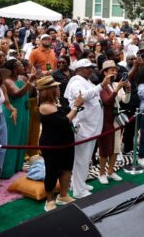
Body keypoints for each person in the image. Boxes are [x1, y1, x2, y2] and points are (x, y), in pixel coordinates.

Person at [64, 59, 112, 198]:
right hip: (83, 128)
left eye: (91, 67)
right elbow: (82, 96)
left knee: (85, 159)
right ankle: (79, 191)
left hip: (91, 127)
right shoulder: (76, 82)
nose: (90, 70)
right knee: (81, 160)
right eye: (87, 68)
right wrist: (101, 86)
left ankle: (79, 184)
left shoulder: (86, 81)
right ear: (79, 69)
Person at [37, 76, 84, 212]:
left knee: (67, 168)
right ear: (48, 90)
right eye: (55, 87)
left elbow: (68, 114)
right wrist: (76, 106)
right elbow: (64, 122)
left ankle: (63, 195)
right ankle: (50, 199)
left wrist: (75, 106)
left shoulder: (59, 101)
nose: (58, 88)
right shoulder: (45, 106)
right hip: (52, 143)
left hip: (66, 140)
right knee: (52, 171)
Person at [1, 59, 37, 178]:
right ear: (14, 69)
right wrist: (30, 82)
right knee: (12, 139)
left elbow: (29, 92)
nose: (23, 67)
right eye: (20, 65)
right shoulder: (7, 80)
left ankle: (17, 166)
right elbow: (17, 94)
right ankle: (7, 170)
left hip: (24, 111)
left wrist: (33, 81)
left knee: (22, 138)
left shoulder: (22, 79)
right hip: (12, 112)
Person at [97, 60, 130, 184]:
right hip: (105, 121)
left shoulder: (116, 84)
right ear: (105, 72)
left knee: (116, 147)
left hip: (116, 120)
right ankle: (101, 173)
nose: (115, 72)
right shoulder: (101, 86)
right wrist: (117, 89)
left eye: (115, 70)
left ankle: (110, 171)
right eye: (112, 70)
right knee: (105, 148)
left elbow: (125, 101)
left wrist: (128, 90)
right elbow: (107, 102)